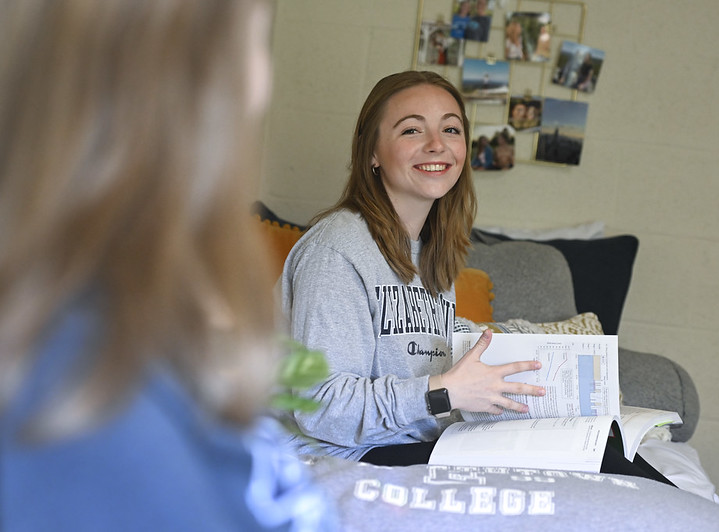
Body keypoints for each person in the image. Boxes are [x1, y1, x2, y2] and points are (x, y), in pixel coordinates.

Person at [0, 0, 335, 530]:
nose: (260, 82)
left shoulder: (154, 319)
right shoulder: (78, 402)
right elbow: (324, 397)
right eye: (254, 36)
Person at [281, 71, 546, 466]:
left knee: (601, 458)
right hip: (338, 459)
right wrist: (443, 393)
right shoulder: (335, 250)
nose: (437, 145)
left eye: (451, 129)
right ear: (372, 152)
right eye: (411, 131)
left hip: (412, 447)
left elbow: (420, 355)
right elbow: (319, 405)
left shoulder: (432, 253)